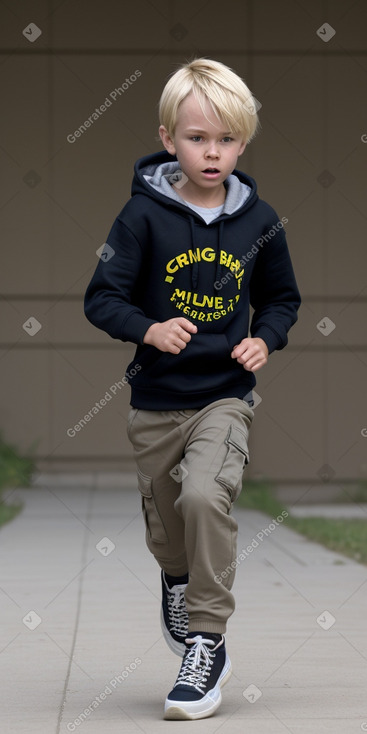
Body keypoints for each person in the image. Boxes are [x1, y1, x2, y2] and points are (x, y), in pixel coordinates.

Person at [84, 57, 301, 721]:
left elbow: (281, 298)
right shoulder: (140, 217)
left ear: (244, 141)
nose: (213, 152)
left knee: (206, 495)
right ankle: (177, 582)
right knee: (170, 534)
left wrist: (265, 337)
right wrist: (149, 330)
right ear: (167, 137)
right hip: (156, 403)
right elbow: (102, 298)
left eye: (227, 139)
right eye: (198, 138)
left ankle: (205, 642)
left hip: (223, 396)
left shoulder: (257, 218)